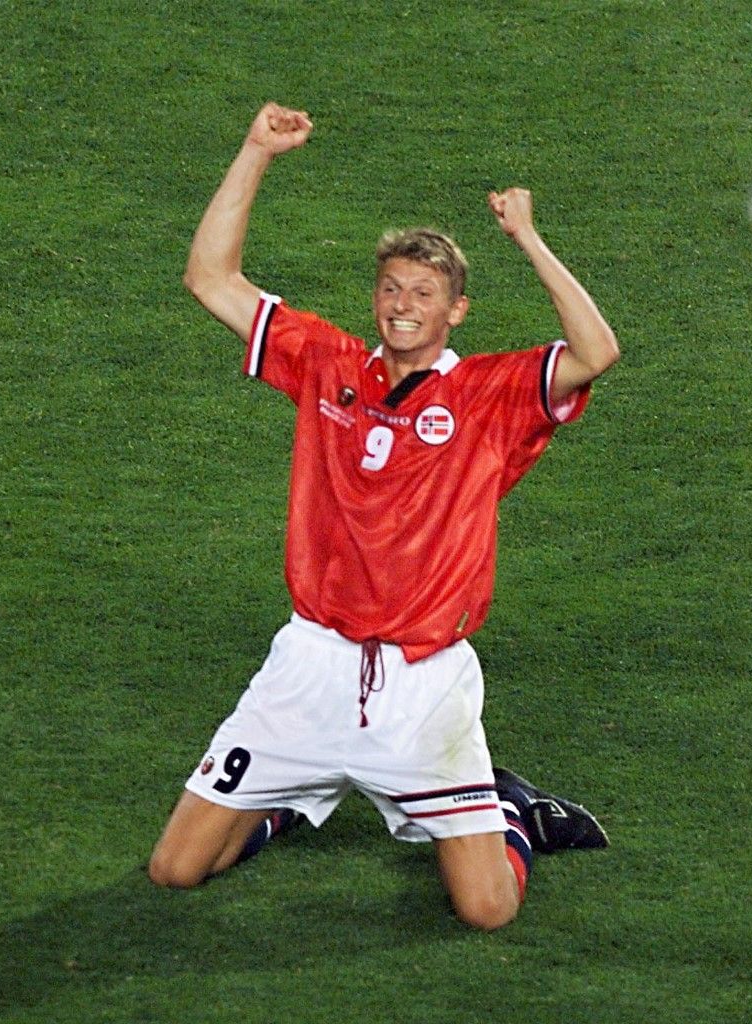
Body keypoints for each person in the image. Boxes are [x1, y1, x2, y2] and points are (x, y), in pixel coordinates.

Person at [148, 102, 620, 931]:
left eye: (425, 293)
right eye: (392, 288)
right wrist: (256, 149)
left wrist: (528, 240)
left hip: (423, 686)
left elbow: (596, 351)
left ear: (456, 312)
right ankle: (293, 797)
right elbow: (210, 278)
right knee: (177, 870)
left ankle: (509, 807)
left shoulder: (488, 396)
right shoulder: (327, 362)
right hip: (309, 668)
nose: (403, 305)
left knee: (486, 909)